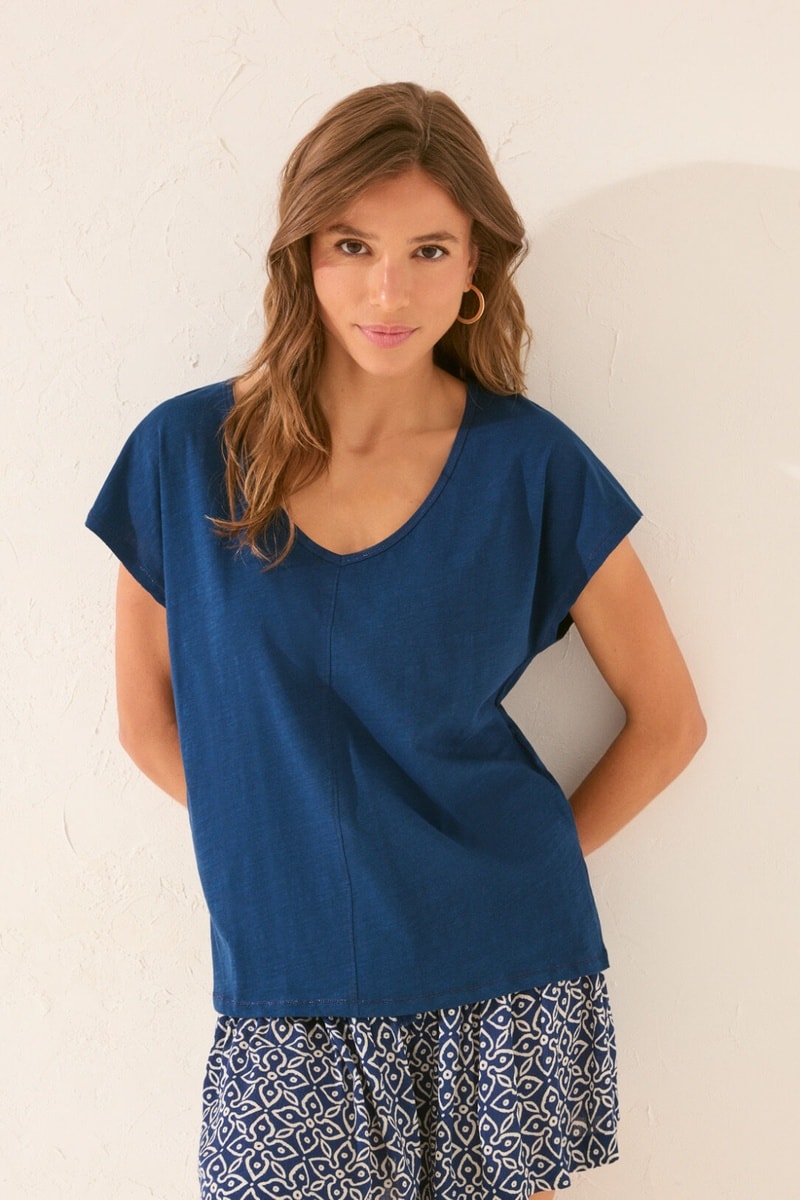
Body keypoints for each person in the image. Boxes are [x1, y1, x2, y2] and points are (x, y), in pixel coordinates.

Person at [86, 82, 706, 1200]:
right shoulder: (185, 456)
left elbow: (669, 721)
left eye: (427, 250)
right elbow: (147, 723)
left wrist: (496, 880)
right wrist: (303, 850)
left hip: (499, 980)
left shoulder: (530, 466)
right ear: (303, 256)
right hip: (289, 987)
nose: (388, 290)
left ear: (475, 269)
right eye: (352, 246)